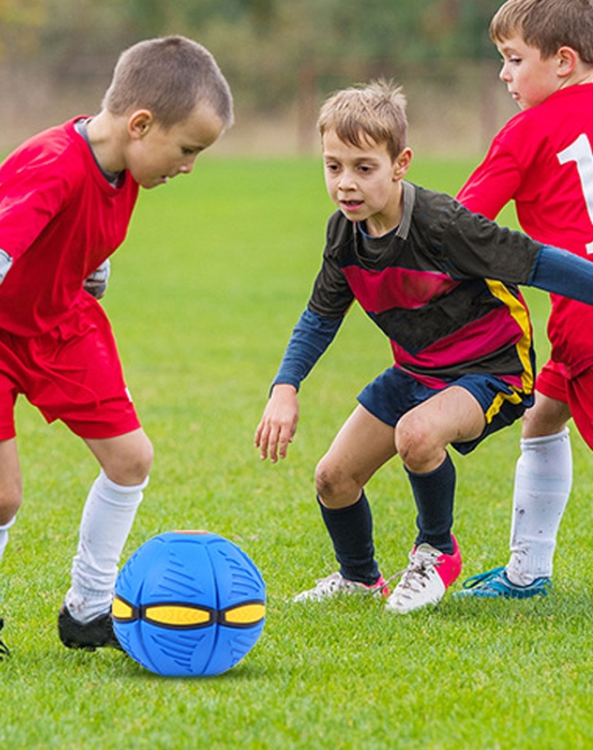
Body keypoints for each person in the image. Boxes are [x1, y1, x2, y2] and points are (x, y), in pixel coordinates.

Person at [0, 35, 233, 661]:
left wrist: (91, 273)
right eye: (187, 149)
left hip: (60, 322)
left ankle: (88, 609)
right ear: (141, 125)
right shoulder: (52, 164)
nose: (189, 166)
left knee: (130, 459)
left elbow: (85, 229)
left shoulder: (125, 166)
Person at [254, 79, 593, 614]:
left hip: (492, 369)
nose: (346, 183)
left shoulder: (443, 225)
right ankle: (359, 578)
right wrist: (284, 387)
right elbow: (320, 316)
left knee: (417, 434)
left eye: (364, 168)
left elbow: (537, 263)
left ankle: (436, 552)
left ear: (400, 164)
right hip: (417, 372)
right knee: (333, 478)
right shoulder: (344, 235)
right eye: (333, 166)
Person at [455, 0, 593, 598]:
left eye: (514, 60)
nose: (504, 74)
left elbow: (459, 227)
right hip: (579, 327)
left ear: (563, 61)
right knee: (542, 417)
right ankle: (527, 572)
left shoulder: (529, 130)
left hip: (585, 321)